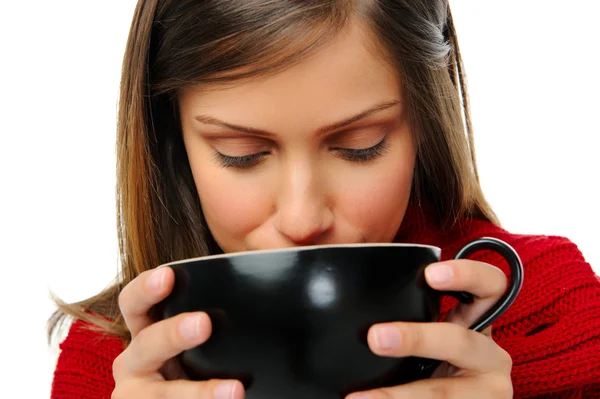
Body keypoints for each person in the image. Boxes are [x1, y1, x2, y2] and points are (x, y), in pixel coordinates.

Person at [47, 1, 600, 398]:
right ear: (173, 144)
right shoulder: (109, 367)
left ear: (425, 122)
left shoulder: (550, 317)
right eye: (240, 154)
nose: (301, 218)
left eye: (359, 147)